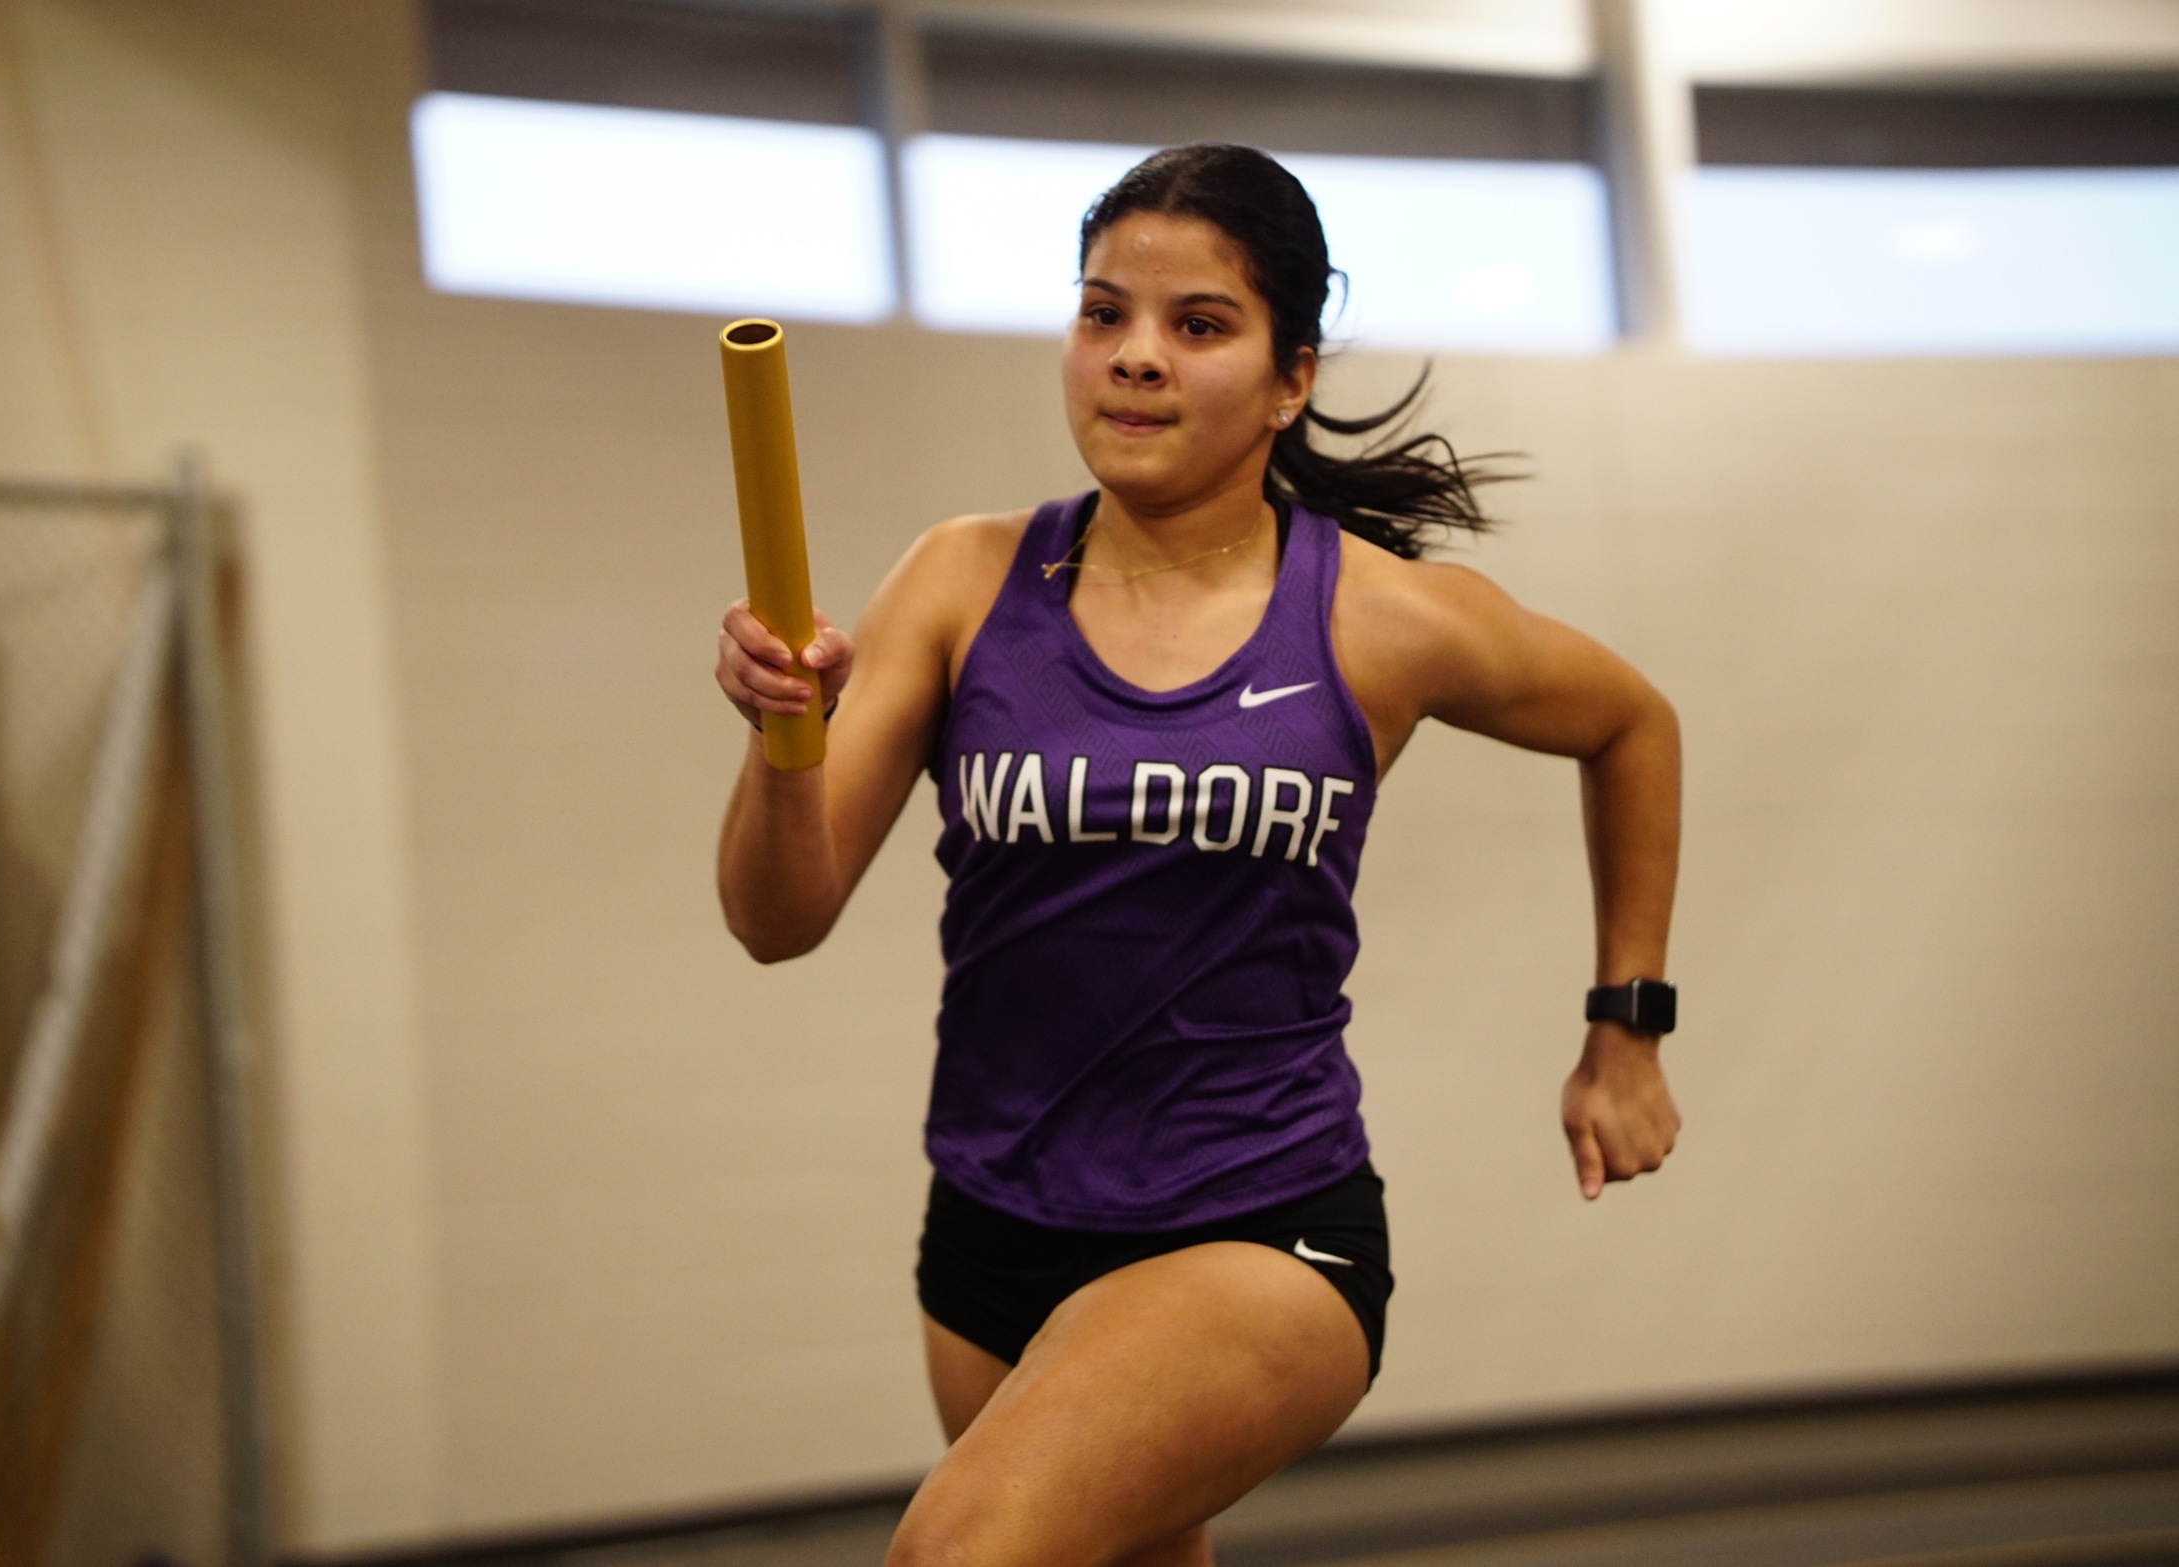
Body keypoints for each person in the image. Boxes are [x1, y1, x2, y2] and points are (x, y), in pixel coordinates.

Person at [713, 143, 1683, 1567]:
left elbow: (1632, 724)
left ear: (1292, 377)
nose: (1136, 359)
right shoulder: (962, 580)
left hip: (1258, 1225)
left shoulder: (1379, 617)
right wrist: (779, 734)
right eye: (1103, 314)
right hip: (992, 1227)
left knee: (956, 1553)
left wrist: (1628, 1027)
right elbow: (774, 918)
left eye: (1198, 325)